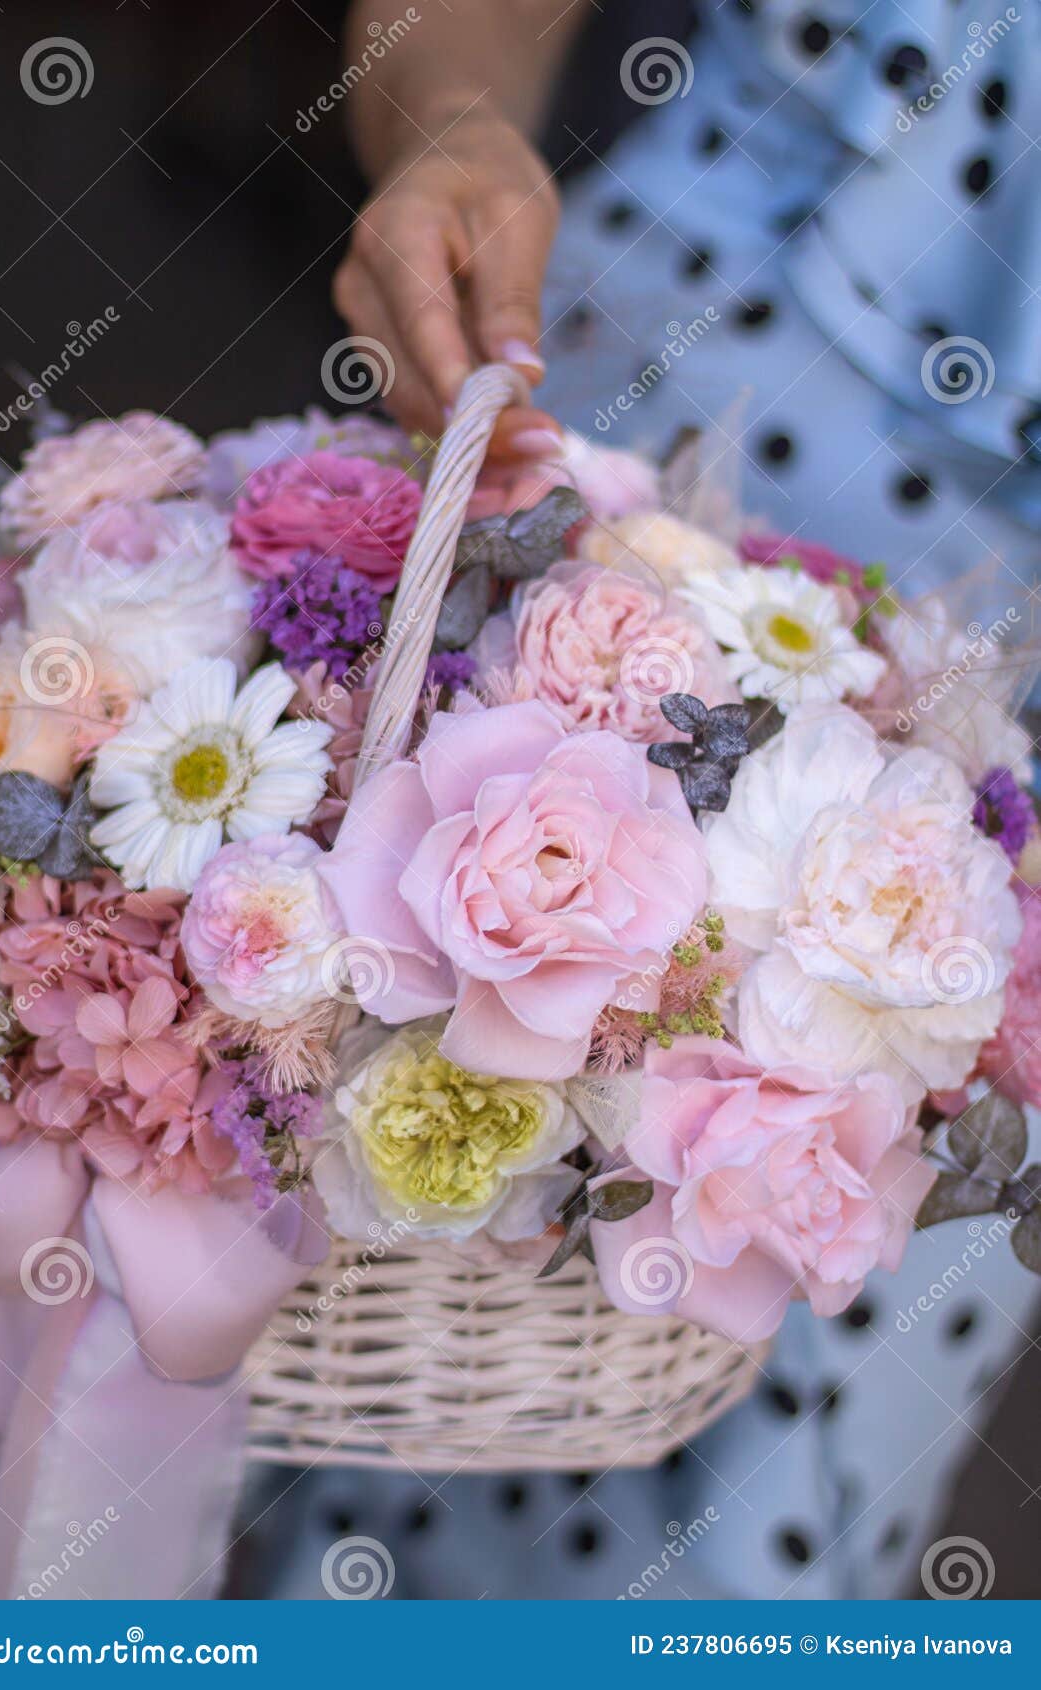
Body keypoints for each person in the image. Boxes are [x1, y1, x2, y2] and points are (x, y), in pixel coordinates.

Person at [239, 0, 1040, 1600]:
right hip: (646, 384)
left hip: (996, 685)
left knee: (749, 1534)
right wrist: (456, 117)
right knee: (308, 1302)